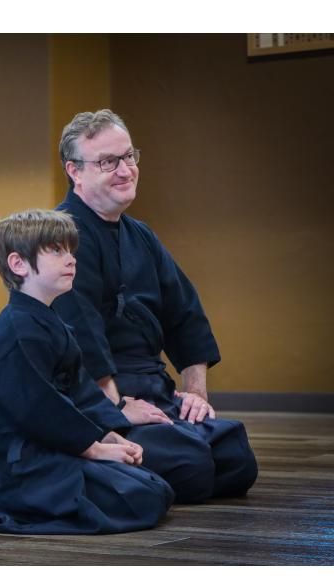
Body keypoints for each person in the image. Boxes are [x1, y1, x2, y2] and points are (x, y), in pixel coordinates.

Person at [53, 109, 258, 502]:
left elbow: (185, 313)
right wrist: (116, 407)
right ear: (75, 171)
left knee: (236, 457)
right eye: (108, 162)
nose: (125, 170)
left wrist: (195, 395)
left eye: (129, 157)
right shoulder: (62, 237)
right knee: (191, 465)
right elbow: (80, 336)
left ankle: (167, 444)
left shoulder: (140, 235)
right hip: (95, 402)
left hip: (153, 391)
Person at [0, 209, 174, 535]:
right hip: (22, 467)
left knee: (155, 483)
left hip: (51, 447)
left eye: (71, 251)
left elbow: (81, 391)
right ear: (19, 264)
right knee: (141, 497)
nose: (71, 259)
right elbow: (38, 407)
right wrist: (92, 448)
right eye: (57, 251)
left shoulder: (52, 323)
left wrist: (107, 432)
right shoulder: (17, 330)